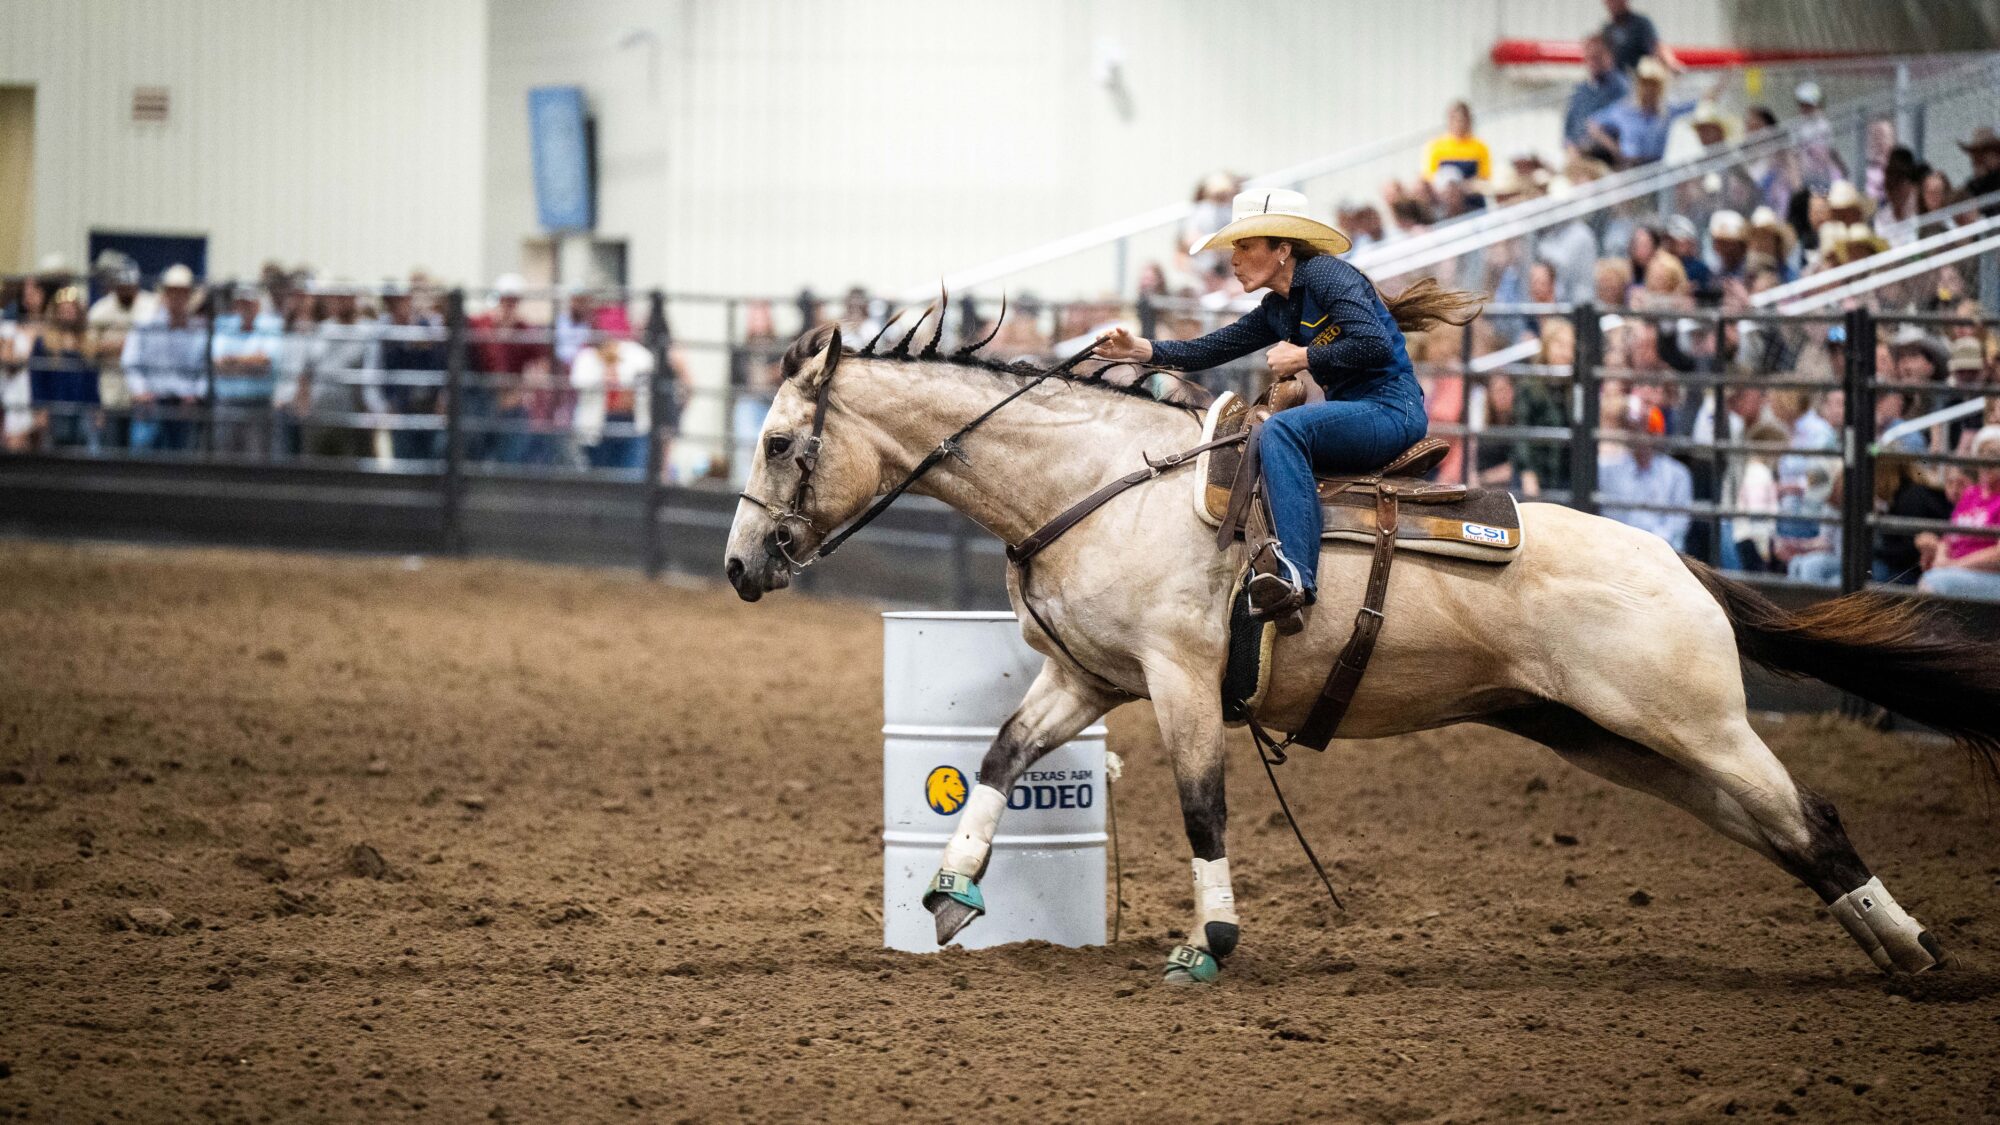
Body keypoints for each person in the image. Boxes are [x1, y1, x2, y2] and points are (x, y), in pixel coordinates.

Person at [1094, 189, 1481, 623]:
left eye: (1244, 246)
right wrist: (1140, 348)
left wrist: (1305, 357)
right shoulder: (1278, 309)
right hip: (1359, 415)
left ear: (1282, 249)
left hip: (1391, 411)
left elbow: (1373, 342)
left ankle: (1296, 576)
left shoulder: (1327, 276)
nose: (1234, 259)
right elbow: (1209, 349)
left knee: (1281, 430)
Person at [120, 264, 208, 452]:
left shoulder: (199, 330)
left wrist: (197, 394)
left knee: (182, 463)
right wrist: (140, 390)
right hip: (151, 403)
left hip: (184, 405)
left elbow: (205, 367)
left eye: (182, 292)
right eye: (172, 292)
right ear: (165, 294)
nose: (177, 297)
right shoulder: (145, 324)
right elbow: (130, 360)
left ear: (189, 295)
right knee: (144, 459)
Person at [1916, 425, 2000, 600]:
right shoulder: (1971, 494)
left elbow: (1998, 554)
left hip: (1990, 575)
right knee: (1933, 577)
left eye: (1994, 455)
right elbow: (1949, 538)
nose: (1987, 461)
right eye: (1982, 453)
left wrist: (1953, 565)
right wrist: (1940, 558)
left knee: (1934, 583)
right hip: (1958, 571)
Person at [209, 287, 283, 456]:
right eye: (241, 303)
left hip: (259, 406)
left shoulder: (270, 325)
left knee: (257, 462)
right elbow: (217, 363)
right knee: (224, 460)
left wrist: (232, 361)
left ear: (257, 304)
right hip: (227, 405)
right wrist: (250, 362)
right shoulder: (224, 325)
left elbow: (265, 362)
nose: (245, 308)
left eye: (249, 303)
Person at [1586, 57, 1699, 167]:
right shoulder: (1624, 109)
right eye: (1645, 84)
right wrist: (1615, 150)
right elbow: (1593, 123)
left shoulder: (1668, 110)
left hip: (1655, 167)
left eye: (1654, 85)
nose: (1649, 90)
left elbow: (1701, 102)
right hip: (1629, 165)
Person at [570, 331, 656, 472]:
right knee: (599, 476)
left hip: (630, 423)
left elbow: (645, 383)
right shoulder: (587, 358)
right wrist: (603, 370)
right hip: (597, 426)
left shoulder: (636, 355)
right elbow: (579, 384)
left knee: (631, 475)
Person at [1563, 35, 1629, 151]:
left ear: (1610, 56)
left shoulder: (1622, 89)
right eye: (1589, 57)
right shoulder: (1581, 90)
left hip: (1606, 156)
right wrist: (1571, 148)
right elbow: (1569, 129)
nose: (1593, 62)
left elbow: (1625, 131)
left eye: (1597, 57)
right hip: (1579, 154)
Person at [1598, 0, 1677, 74]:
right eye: (1610, 2)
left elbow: (1657, 47)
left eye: (1616, 1)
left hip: (1640, 78)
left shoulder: (1641, 24)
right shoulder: (1608, 29)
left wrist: (1671, 64)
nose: (1613, 5)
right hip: (1618, 81)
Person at [1423, 101, 1490, 185]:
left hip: (1472, 195)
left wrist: (1465, 186)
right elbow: (1430, 176)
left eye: (1463, 120)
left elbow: (1485, 176)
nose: (1459, 124)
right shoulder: (1436, 146)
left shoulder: (1480, 146)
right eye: (1456, 119)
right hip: (1445, 193)